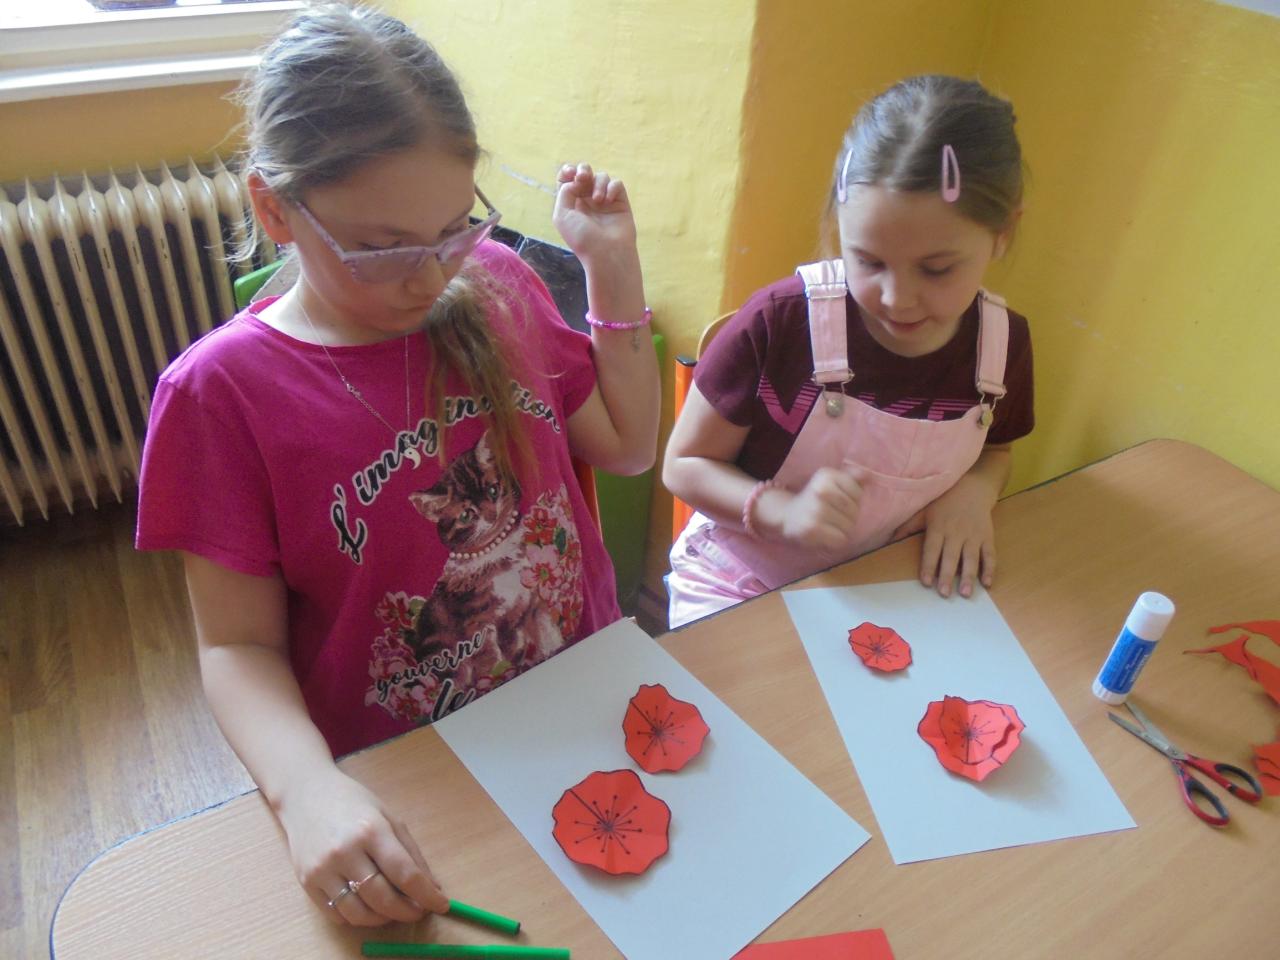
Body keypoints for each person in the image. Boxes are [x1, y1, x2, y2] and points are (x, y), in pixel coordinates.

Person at [135, 3, 658, 927]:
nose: (431, 276)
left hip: (584, 699)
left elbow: (628, 446)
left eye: (455, 228)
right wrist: (305, 793)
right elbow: (235, 646)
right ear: (274, 209)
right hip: (412, 778)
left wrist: (613, 272)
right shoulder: (218, 396)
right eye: (382, 249)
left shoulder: (500, 283)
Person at [664, 75, 1033, 629]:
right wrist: (782, 512)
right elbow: (685, 465)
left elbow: (995, 450)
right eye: (869, 260)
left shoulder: (1001, 348)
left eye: (936, 269)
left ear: (1003, 233)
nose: (897, 298)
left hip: (880, 584)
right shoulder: (780, 324)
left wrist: (975, 492)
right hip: (739, 578)